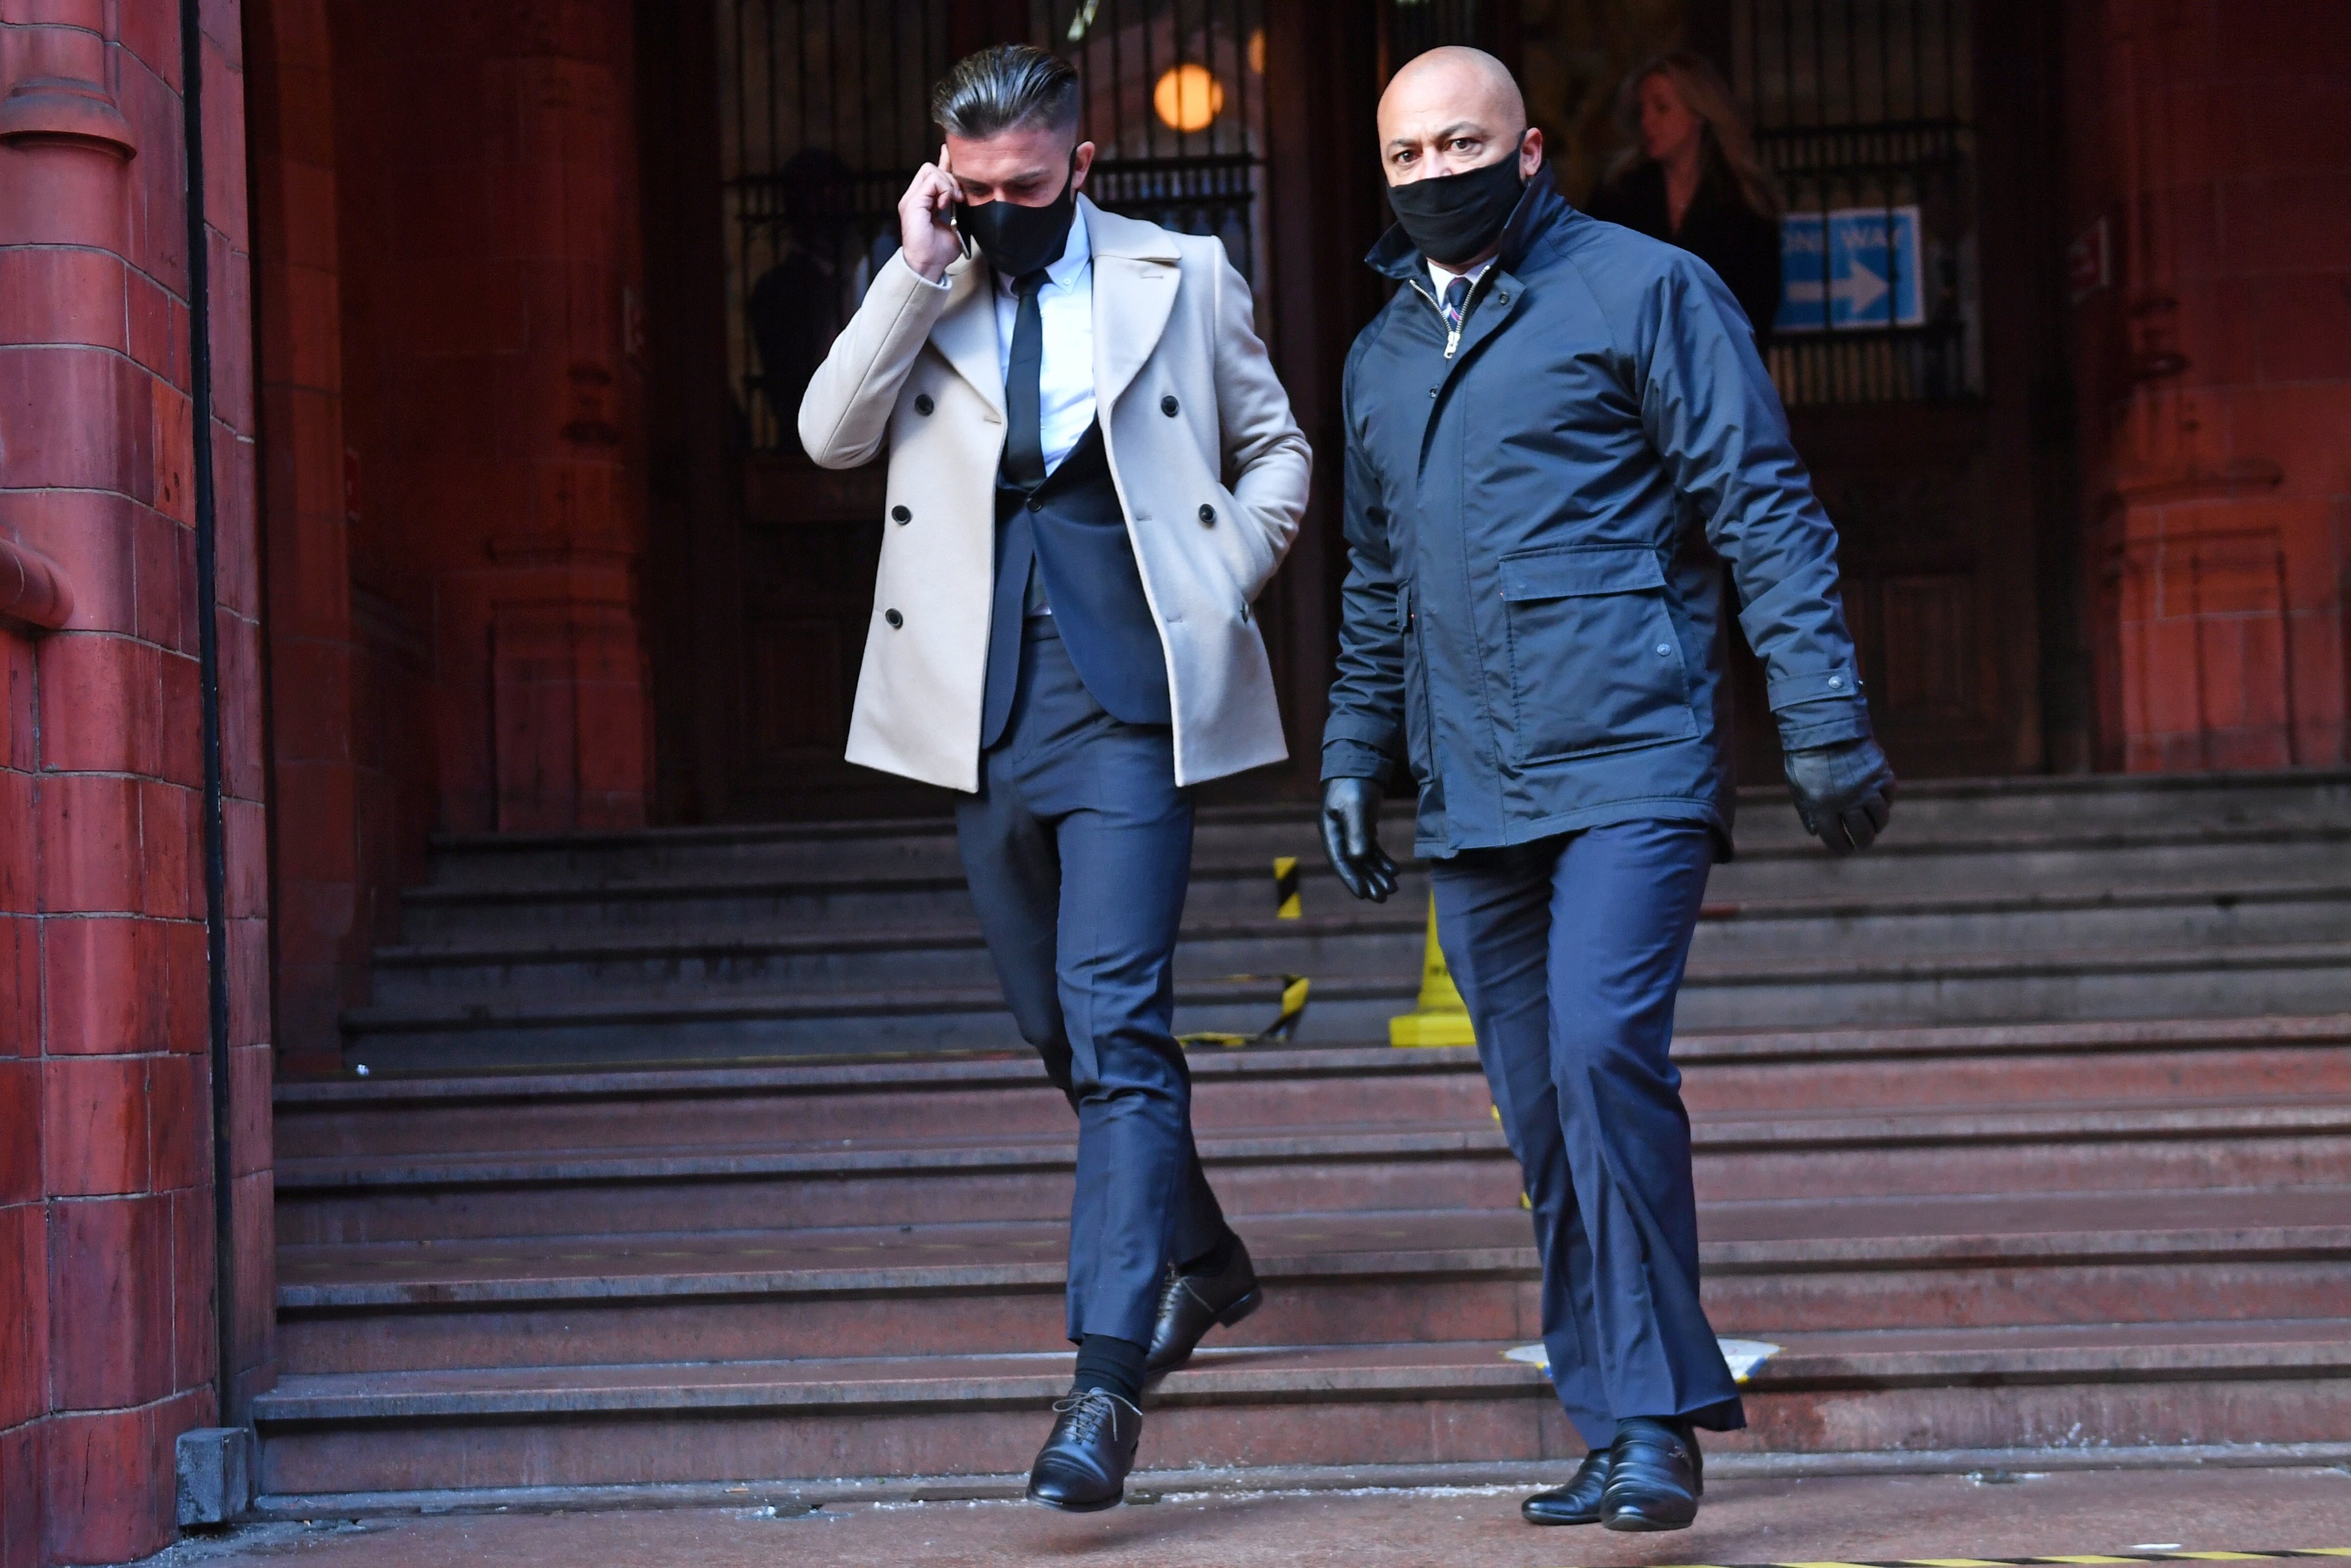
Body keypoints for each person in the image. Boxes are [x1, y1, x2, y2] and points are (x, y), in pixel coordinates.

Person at [1317, 47, 1893, 1532]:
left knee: (1597, 1053)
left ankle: (1658, 1422)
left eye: (1464, 142)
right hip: (1470, 785)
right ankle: (1620, 1419)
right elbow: (1376, 581)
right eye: (1406, 152)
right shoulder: (1382, 353)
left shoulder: (1642, 289)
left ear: (1528, 153)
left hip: (1632, 750)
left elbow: (1760, 506)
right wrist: (1348, 752)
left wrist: (1822, 716)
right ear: (1382, 172)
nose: (1434, 171)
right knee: (1536, 1115)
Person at [798, 44, 1311, 1513]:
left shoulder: (1180, 275)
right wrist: (911, 270)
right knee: (1057, 1030)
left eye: (1020, 188)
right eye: (969, 189)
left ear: (1081, 168)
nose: (993, 211)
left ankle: (1104, 1385)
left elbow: (1276, 451)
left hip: (1137, 699)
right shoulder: (930, 274)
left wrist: (1221, 569)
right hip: (979, 706)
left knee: (1120, 1023)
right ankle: (1207, 1261)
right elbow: (829, 435)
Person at [1584, 51, 1783, 348]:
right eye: (1643, 110)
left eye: (1662, 109)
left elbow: (1757, 304)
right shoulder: (1619, 194)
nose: (1648, 121)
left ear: (1699, 113)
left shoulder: (1742, 202)